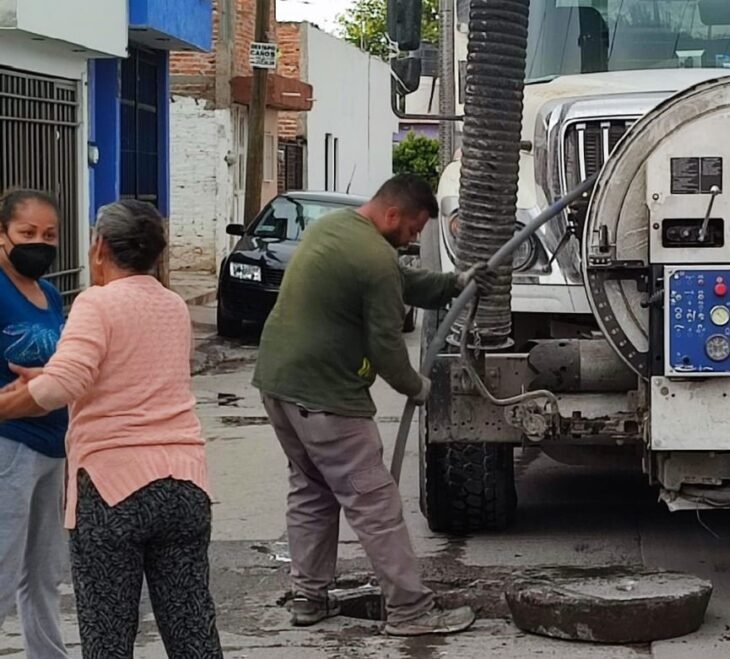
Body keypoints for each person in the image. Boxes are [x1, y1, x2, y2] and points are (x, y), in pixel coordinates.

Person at [253, 174, 498, 635]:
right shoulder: (375, 258)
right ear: (392, 214)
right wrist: (417, 388)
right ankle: (411, 611)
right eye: (412, 229)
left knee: (312, 490)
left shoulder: (336, 228)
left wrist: (455, 283)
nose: (413, 238)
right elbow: (387, 346)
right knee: (376, 504)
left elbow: (401, 281)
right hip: (327, 398)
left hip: (280, 387)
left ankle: (309, 597)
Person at [0, 199, 223, 658]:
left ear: (99, 247)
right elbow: (126, 373)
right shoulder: (173, 306)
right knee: (192, 630)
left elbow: (66, 382)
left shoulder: (96, 302)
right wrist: (47, 378)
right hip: (183, 485)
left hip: (113, 490)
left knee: (108, 639)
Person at [0, 189, 68, 659]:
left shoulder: (49, 293)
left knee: (44, 574)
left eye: (49, 235)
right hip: (9, 443)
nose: (39, 244)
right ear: (2, 234)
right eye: (27, 234)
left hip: (54, 445)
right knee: (2, 571)